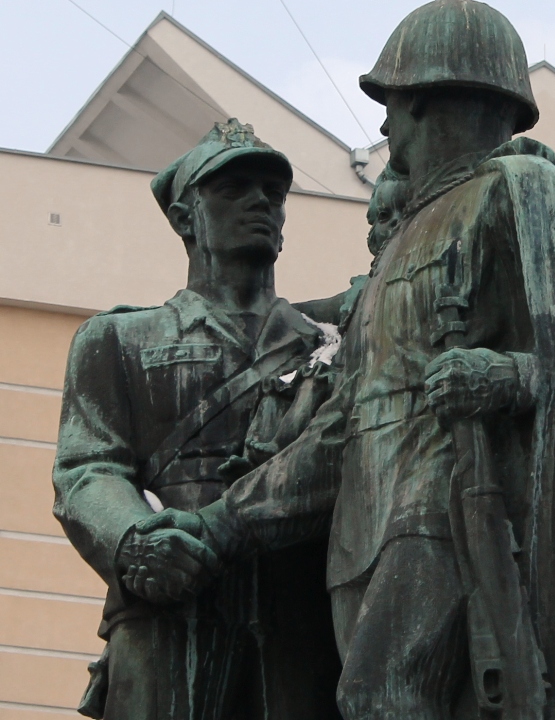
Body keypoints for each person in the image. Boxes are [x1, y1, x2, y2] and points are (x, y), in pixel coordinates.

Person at [143, 0, 555, 719]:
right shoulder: (397, 248)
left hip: (452, 509)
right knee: (372, 699)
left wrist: (505, 375)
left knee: (381, 695)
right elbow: (340, 428)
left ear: (439, 102)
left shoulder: (519, 189)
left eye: (396, 104)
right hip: (364, 533)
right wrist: (222, 523)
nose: (384, 126)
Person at [53, 119, 341, 720]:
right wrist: (136, 543)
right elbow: (88, 469)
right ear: (186, 218)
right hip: (168, 608)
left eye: (273, 190)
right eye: (234, 187)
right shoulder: (119, 339)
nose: (262, 200)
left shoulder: (328, 345)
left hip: (300, 615)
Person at [294, 163, 408, 329]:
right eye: (384, 216)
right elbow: (309, 312)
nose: (396, 221)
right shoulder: (362, 292)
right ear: (373, 234)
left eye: (406, 210)